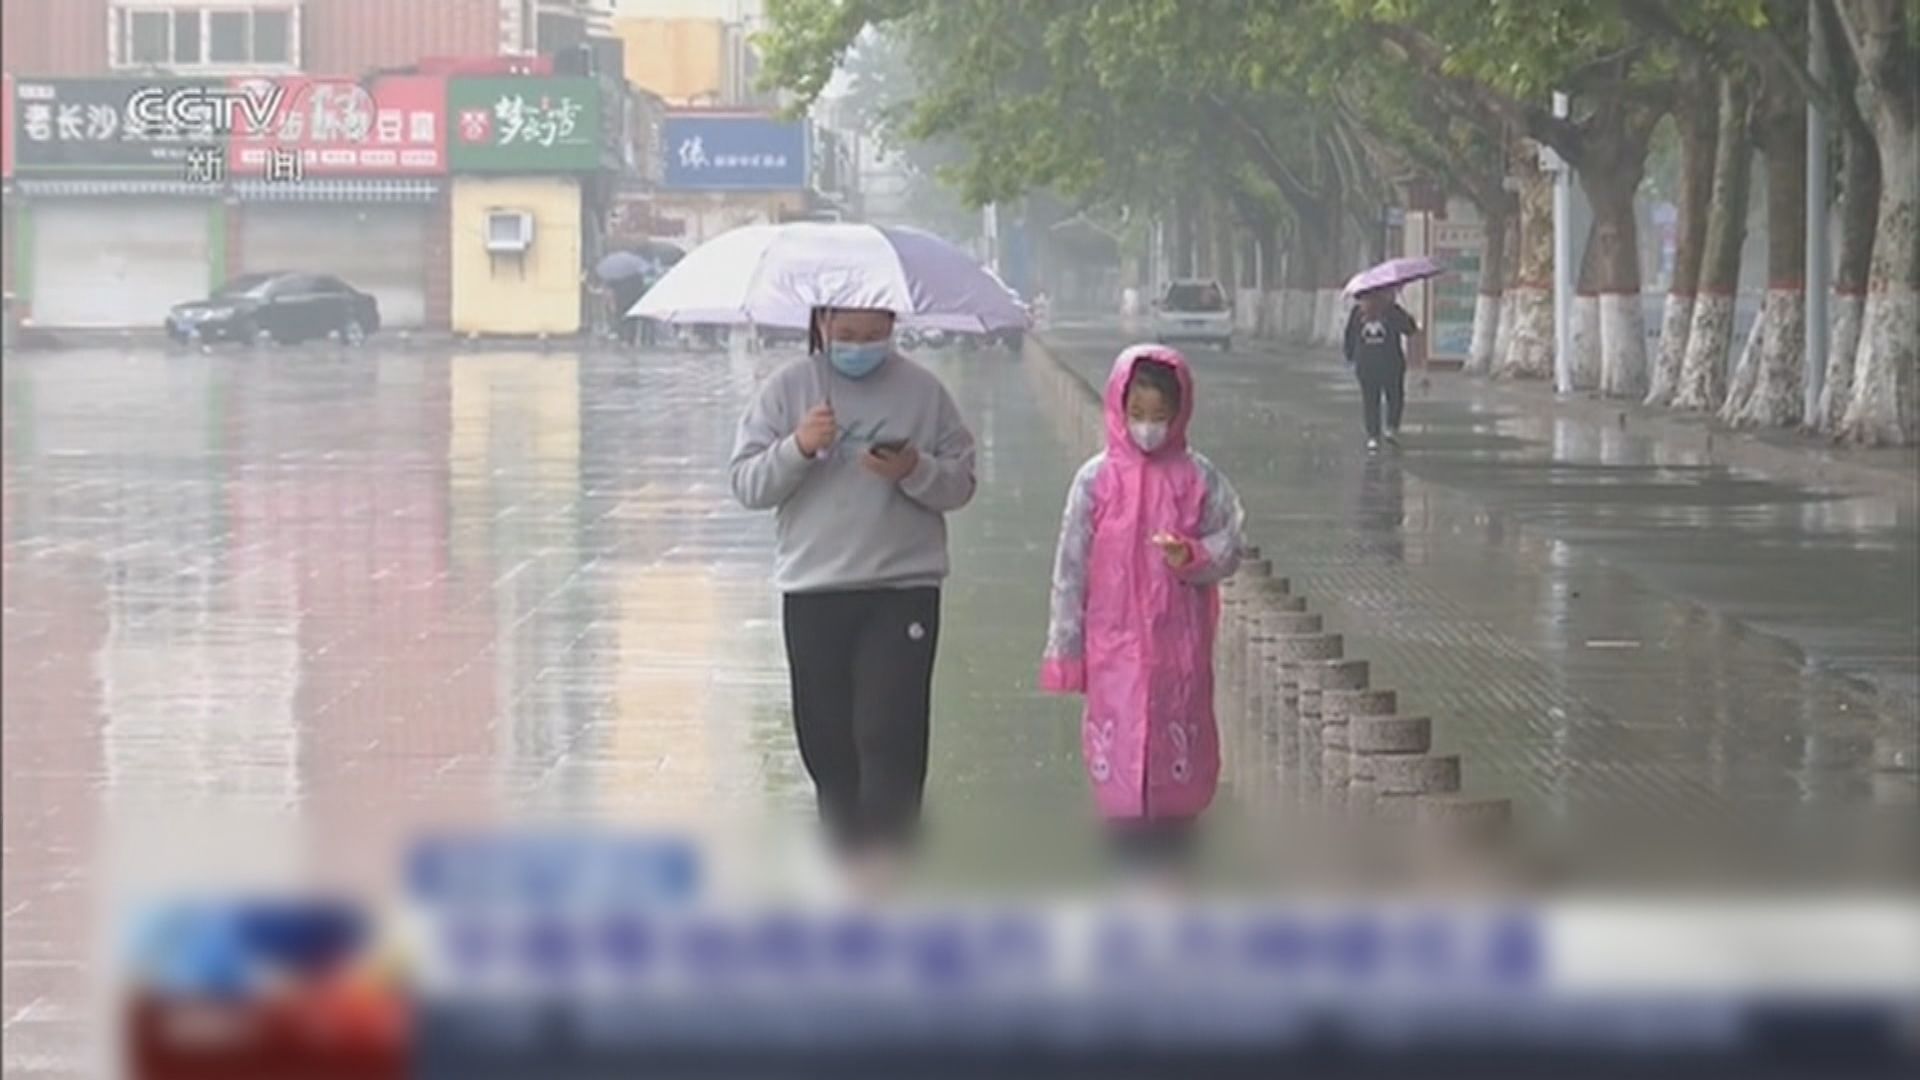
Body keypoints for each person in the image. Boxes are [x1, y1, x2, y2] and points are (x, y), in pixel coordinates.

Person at [729, 306, 978, 889]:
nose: (861, 347)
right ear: (821, 327)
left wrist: (915, 469)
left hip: (901, 588)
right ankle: (845, 865)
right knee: (828, 741)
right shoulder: (789, 390)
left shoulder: (924, 392)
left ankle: (887, 875)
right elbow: (746, 483)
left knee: (888, 732)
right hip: (815, 588)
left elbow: (961, 482)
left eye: (875, 336)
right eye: (847, 336)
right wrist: (797, 446)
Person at [1039, 345, 1246, 879]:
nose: (1148, 427)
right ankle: (1131, 869)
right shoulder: (1096, 481)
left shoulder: (1200, 479)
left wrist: (1193, 557)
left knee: (1178, 759)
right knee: (1122, 761)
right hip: (1114, 649)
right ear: (1118, 408)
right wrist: (1066, 651)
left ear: (1179, 414)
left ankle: (1175, 868)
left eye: (1160, 417)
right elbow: (1070, 569)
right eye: (1138, 415)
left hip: (1179, 647)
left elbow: (1231, 544)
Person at [1343, 287, 1419, 452]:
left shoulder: (1358, 312)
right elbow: (1410, 329)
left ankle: (1373, 436)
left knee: (1370, 400)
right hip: (1391, 363)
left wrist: (1350, 357)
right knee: (1395, 396)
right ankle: (1391, 427)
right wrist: (1409, 317)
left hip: (1366, 364)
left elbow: (1349, 336)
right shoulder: (1392, 310)